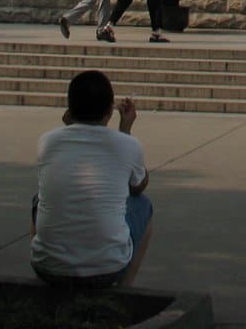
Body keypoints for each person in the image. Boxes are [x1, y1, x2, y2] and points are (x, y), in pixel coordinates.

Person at [30, 69, 154, 288]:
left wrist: (71, 124)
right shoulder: (127, 145)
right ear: (109, 110)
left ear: (69, 110)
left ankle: (46, 276)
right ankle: (124, 290)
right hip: (107, 269)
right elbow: (138, 187)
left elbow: (76, 146)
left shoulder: (46, 142)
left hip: (47, 267)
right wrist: (125, 129)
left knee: (38, 201)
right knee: (144, 206)